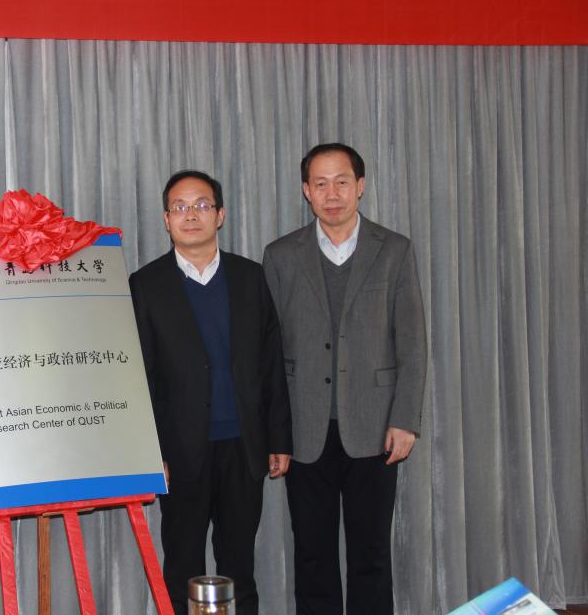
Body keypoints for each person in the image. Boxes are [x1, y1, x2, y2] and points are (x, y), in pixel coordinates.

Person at [262, 143, 427, 615]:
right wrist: (275, 432)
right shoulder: (281, 255)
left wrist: (406, 419)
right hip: (304, 428)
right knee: (312, 554)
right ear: (306, 191)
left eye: (341, 182)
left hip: (375, 427)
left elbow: (412, 342)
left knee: (371, 554)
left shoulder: (394, 250)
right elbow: (268, 353)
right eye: (320, 183)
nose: (331, 193)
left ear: (360, 186)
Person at [129, 170, 292, 615]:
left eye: (202, 205)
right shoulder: (146, 284)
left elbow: (271, 361)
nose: (191, 215)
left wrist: (279, 438)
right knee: (182, 564)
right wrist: (150, 452)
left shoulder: (250, 277)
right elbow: (140, 376)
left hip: (243, 445)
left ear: (220, 215)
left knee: (239, 564)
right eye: (180, 207)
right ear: (166, 219)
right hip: (179, 451)